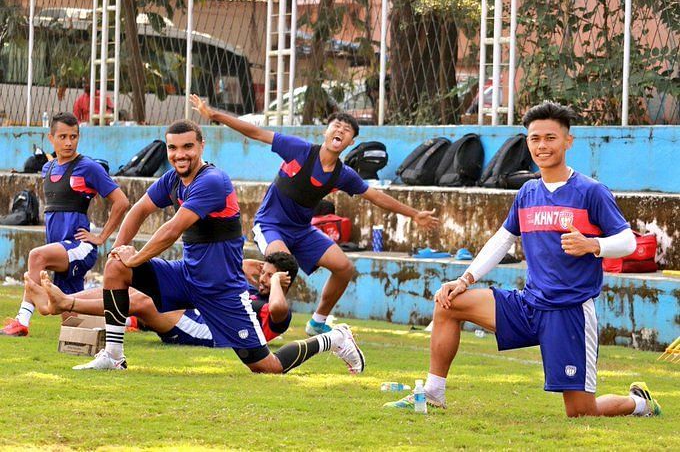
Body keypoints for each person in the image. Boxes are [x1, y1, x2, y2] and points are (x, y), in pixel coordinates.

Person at [385, 101, 662, 417]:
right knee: (448, 303)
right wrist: (464, 280)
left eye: (550, 138)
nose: (542, 146)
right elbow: (502, 240)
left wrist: (592, 245)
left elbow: (627, 241)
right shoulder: (528, 192)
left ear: (568, 141)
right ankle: (433, 394)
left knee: (582, 414)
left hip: (569, 312)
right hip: (528, 305)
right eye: (534, 138)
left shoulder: (591, 191)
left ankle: (641, 403)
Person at [71, 119, 365, 376]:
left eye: (187, 147)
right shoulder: (172, 179)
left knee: (267, 367)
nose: (179, 155)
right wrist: (120, 250)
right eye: (173, 148)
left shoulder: (213, 181)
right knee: (115, 268)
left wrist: (135, 259)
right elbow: (138, 210)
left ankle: (334, 338)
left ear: (201, 145)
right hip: (187, 277)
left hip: (222, 290)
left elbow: (172, 230)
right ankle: (113, 356)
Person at [189, 94, 440, 337]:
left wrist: (415, 214)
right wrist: (214, 114)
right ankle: (253, 320)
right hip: (270, 225)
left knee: (344, 267)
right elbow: (256, 132)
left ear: (351, 141)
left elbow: (375, 196)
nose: (340, 131)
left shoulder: (343, 174)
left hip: (301, 230)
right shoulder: (299, 150)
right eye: (336, 126)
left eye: (347, 129)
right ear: (326, 131)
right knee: (281, 267)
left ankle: (317, 322)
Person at [1, 112, 129, 337]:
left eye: (73, 136)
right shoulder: (47, 169)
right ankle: (131, 317)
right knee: (73, 320)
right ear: (51, 138)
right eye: (62, 137)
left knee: (36, 257)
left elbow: (122, 202)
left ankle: (22, 320)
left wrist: (100, 237)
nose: (69, 142)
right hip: (59, 246)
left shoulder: (88, 167)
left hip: (78, 246)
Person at [27, 253, 300, 348]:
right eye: (263, 273)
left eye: (270, 277)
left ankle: (64, 304)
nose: (262, 279)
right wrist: (256, 269)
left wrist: (275, 282)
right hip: (194, 316)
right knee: (133, 293)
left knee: (142, 301)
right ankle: (60, 302)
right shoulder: (250, 290)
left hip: (209, 334)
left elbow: (276, 307)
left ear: (285, 281)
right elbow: (234, 268)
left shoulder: (279, 311)